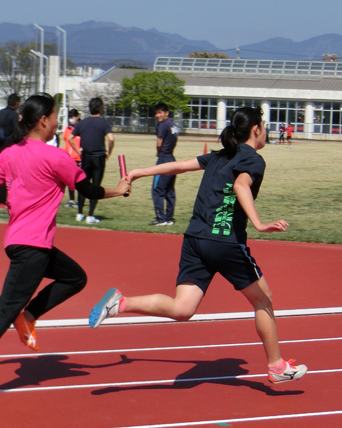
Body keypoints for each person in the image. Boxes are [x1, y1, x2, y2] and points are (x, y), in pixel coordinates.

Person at [89, 106, 308, 385]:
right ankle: (277, 366)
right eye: (263, 125)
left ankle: (121, 303)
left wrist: (141, 172)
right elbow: (241, 186)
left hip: (195, 239)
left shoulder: (220, 155)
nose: (266, 130)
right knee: (263, 301)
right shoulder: (253, 159)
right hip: (224, 240)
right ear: (256, 130)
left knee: (183, 308)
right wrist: (259, 223)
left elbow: (179, 165)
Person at [0, 94, 130, 402]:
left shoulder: (11, 153)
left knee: (75, 278)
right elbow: (89, 189)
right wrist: (118, 190)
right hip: (32, 247)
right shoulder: (56, 157)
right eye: (56, 117)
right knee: (5, 310)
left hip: (23, 242)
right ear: (44, 120)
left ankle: (29, 316)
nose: (59, 123)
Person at [69, 97, 115, 224]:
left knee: (84, 185)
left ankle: (79, 213)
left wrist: (78, 151)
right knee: (95, 186)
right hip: (99, 157)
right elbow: (111, 139)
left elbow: (70, 138)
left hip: (86, 157)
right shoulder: (104, 123)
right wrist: (109, 152)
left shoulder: (82, 123)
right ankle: (90, 215)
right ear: (101, 109)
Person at [150, 102, 178, 226]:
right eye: (156, 113)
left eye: (160, 112)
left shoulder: (162, 124)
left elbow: (159, 142)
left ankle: (161, 218)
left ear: (167, 112)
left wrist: (158, 152)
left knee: (157, 189)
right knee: (169, 190)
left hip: (164, 159)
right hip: (172, 159)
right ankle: (169, 217)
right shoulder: (173, 125)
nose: (157, 115)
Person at [0, 93, 20, 209]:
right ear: (16, 103)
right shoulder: (14, 115)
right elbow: (17, 131)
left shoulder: (0, 113)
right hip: (9, 146)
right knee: (9, 174)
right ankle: (4, 201)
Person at [63, 109, 82, 208]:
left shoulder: (81, 128)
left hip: (79, 158)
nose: (71, 119)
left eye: (73, 117)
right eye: (70, 117)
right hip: (68, 158)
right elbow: (65, 140)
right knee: (69, 180)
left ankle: (79, 200)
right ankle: (71, 199)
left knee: (79, 180)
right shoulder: (68, 129)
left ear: (77, 117)